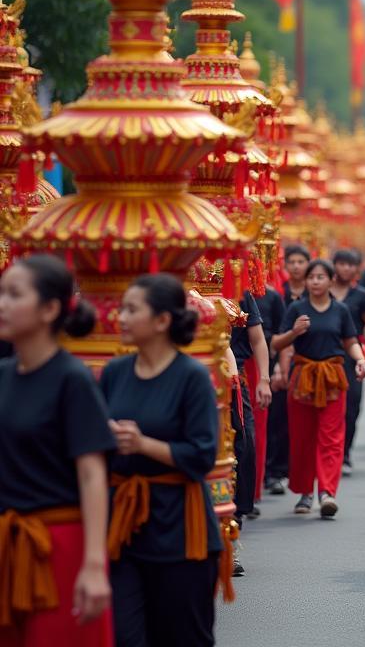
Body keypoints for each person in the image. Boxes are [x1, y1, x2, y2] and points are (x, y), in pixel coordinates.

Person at [101, 274, 223, 647]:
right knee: (125, 637)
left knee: (183, 637)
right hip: (124, 526)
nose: (120, 318)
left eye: (132, 310)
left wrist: (143, 444)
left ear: (162, 321)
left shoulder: (192, 377)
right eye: (122, 309)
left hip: (180, 530)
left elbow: (202, 455)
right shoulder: (114, 373)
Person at [0, 255, 114, 647]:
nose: (2, 304)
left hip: (59, 548)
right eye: (1, 293)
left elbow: (92, 473)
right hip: (7, 544)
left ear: (50, 309)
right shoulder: (3, 376)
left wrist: (95, 564)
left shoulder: (72, 379)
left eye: (14, 294)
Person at [271, 259, 365, 519]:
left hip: (332, 379)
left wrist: (360, 359)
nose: (315, 281)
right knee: (303, 437)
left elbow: (351, 341)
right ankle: (305, 492)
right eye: (311, 277)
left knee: (332, 437)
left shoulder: (341, 310)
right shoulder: (296, 309)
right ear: (305, 282)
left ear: (330, 280)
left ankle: (327, 492)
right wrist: (294, 331)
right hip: (302, 377)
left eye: (320, 276)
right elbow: (276, 343)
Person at [330, 249, 365, 474]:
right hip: (327, 353)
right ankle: (331, 452)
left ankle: (345, 452)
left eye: (351, 265)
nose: (346, 268)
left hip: (353, 355)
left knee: (352, 405)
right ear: (335, 265)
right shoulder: (323, 292)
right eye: (342, 263)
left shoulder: (362, 296)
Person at [229, 291, 271, 524]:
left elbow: (257, 338)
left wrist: (264, 379)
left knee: (244, 442)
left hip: (235, 378)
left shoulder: (239, 291)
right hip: (192, 378)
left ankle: (238, 508)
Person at [250, 284, 287, 497]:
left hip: (262, 365)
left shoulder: (271, 296)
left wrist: (279, 368)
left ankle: (269, 475)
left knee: (269, 424)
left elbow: (275, 338)